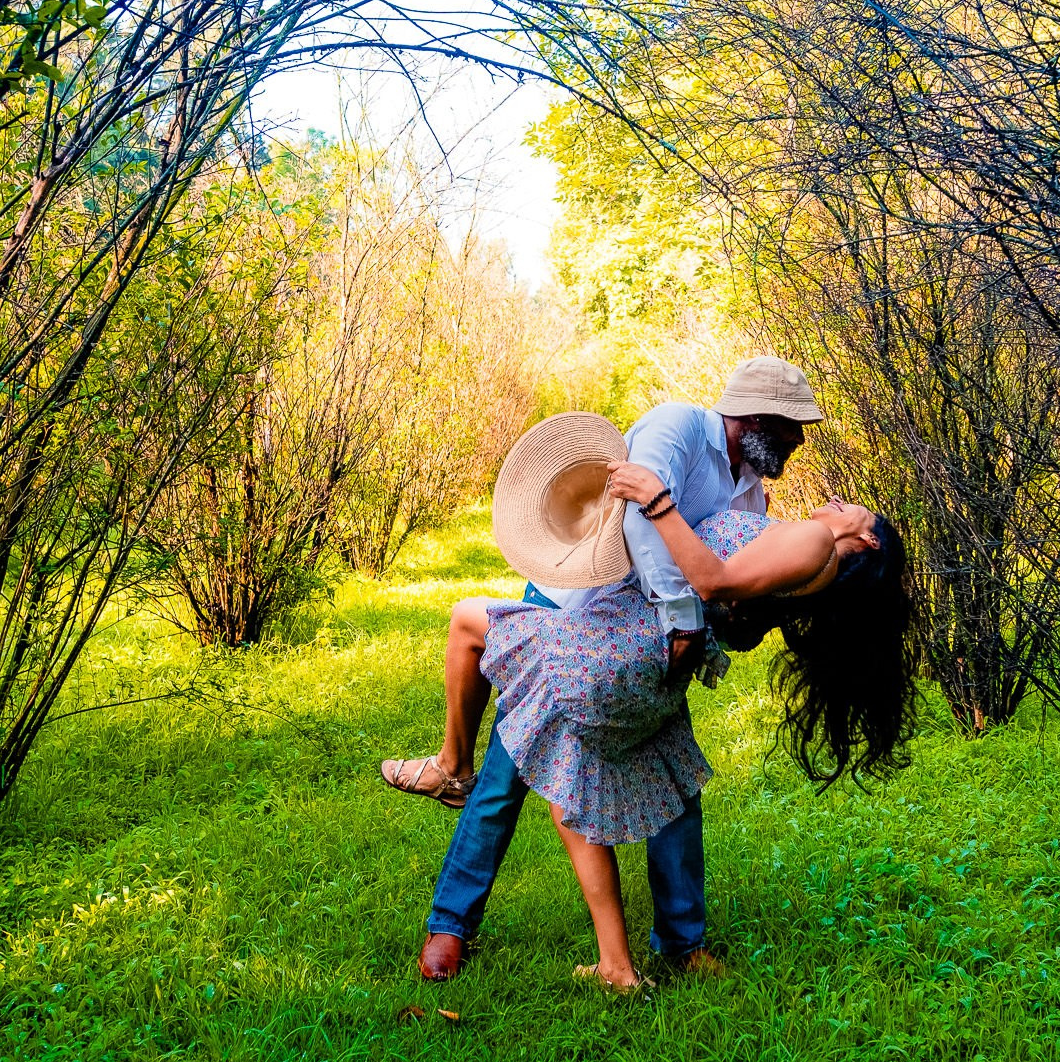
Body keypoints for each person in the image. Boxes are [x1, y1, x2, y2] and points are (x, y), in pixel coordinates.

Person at [381, 364, 916, 988]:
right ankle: (451, 925)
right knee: (511, 773)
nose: (799, 444)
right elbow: (640, 519)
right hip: (578, 603)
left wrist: (715, 620)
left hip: (646, 643)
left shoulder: (753, 497)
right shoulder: (679, 428)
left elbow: (733, 602)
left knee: (673, 787)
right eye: (794, 429)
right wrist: (688, 619)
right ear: (758, 416)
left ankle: (678, 944)